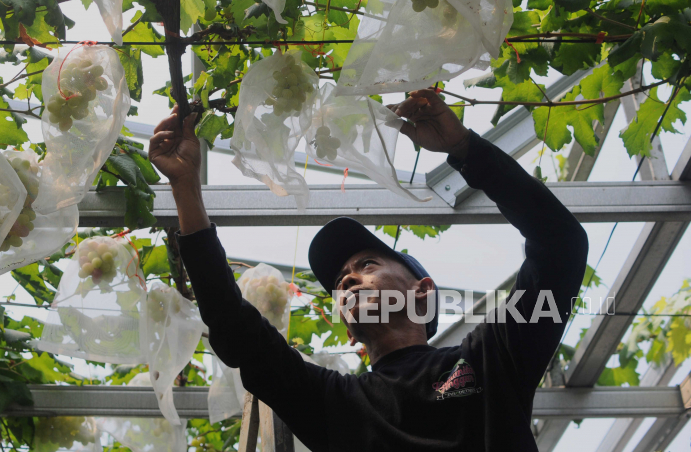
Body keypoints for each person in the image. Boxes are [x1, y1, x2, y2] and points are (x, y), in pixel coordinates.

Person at [148, 88, 589, 452]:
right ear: (348, 332)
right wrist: (186, 190)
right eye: (341, 281)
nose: (346, 279)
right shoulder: (334, 402)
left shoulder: (490, 361)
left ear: (422, 292)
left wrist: (463, 148)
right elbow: (234, 326)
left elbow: (560, 245)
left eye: (366, 264)